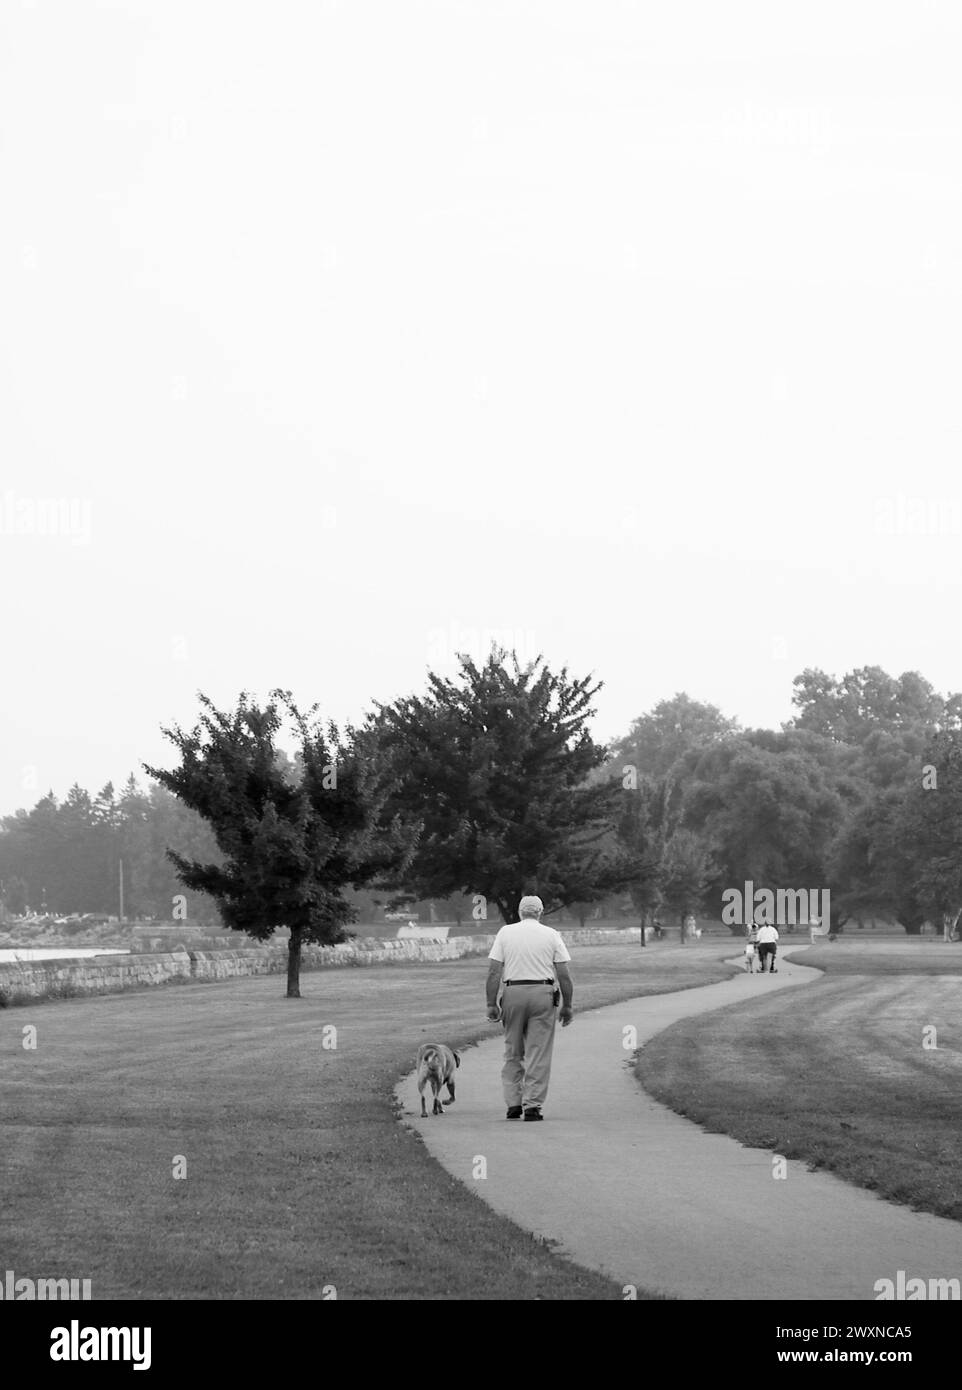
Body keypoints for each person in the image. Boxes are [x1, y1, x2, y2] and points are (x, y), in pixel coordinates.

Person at [485, 895, 574, 1121]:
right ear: (540, 912)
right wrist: (567, 1005)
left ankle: (513, 1103)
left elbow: (495, 971)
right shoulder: (552, 934)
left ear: (520, 911)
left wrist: (491, 1003)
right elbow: (563, 974)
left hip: (513, 992)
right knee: (539, 1051)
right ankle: (532, 1105)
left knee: (512, 1049)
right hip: (542, 994)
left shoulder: (505, 933)